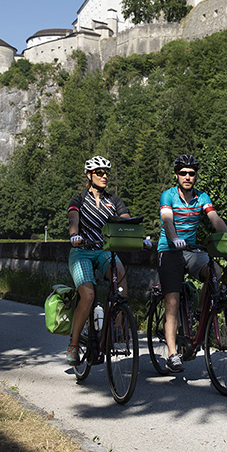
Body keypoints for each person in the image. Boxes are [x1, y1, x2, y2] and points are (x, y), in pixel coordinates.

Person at [156, 153, 227, 372]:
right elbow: (168, 221)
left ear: (196, 176)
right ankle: (172, 354)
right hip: (170, 249)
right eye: (183, 173)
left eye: (192, 173)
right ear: (177, 175)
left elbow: (215, 219)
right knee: (172, 300)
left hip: (191, 251)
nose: (188, 177)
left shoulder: (201, 197)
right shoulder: (168, 196)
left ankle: (199, 313)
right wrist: (175, 238)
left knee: (215, 271)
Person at [65, 155, 131, 365]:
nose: (104, 176)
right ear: (89, 175)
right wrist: (74, 234)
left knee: (120, 276)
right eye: (99, 173)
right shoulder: (79, 200)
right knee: (88, 295)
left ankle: (115, 331)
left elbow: (126, 221)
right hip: (82, 250)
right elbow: (73, 219)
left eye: (106, 173)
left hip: (103, 250)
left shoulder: (114, 201)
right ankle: (74, 345)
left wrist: (135, 236)